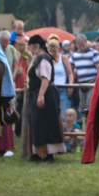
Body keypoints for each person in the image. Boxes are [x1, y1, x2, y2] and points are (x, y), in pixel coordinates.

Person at [26, 35, 65, 163]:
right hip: (38, 93)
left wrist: (41, 95)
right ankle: (37, 153)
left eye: (31, 46)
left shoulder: (44, 59)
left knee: (47, 123)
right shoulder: (38, 58)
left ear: (36, 46)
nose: (30, 49)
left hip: (45, 94)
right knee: (37, 123)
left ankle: (50, 154)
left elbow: (45, 78)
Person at [69, 33, 99, 126]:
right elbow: (70, 68)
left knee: (89, 107)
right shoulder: (74, 55)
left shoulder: (93, 53)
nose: (81, 47)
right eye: (79, 46)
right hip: (81, 84)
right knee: (82, 109)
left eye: (82, 45)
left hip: (91, 83)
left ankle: (91, 127)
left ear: (86, 43)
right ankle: (87, 129)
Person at [46, 36, 73, 123]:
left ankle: (65, 134)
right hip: (50, 89)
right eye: (51, 51)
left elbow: (70, 73)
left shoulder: (63, 58)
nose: (53, 53)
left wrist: (70, 85)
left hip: (62, 89)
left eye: (54, 51)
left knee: (64, 113)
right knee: (51, 113)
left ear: (59, 48)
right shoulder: (46, 58)